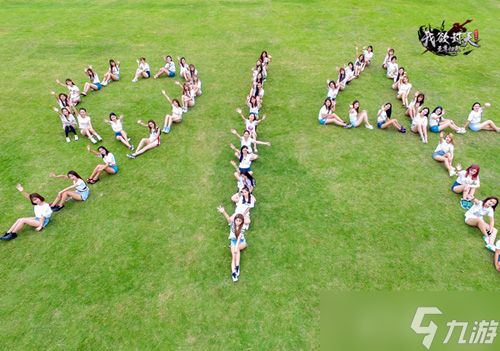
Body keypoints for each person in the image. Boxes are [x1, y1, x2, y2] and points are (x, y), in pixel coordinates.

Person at [217, 207, 247, 282]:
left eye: (239, 221)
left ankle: (237, 266)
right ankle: (234, 272)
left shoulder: (242, 228)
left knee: (236, 250)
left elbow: (239, 239)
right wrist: (223, 211)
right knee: (234, 256)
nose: (237, 222)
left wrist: (235, 247)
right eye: (237, 220)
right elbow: (228, 218)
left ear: (241, 222)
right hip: (233, 242)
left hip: (241, 242)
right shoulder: (232, 224)